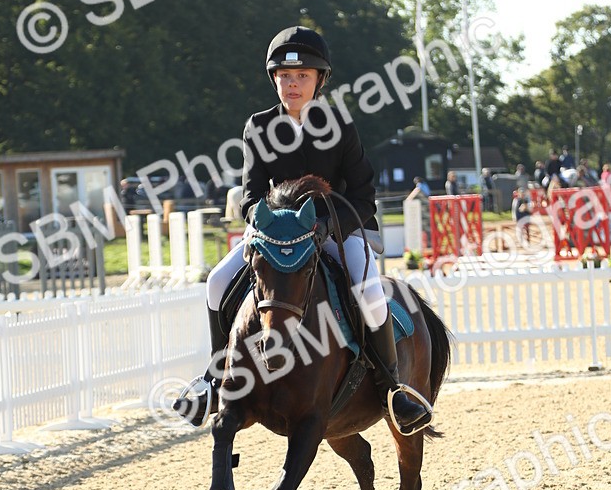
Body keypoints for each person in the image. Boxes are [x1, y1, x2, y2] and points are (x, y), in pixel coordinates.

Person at [176, 25, 433, 434]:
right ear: (274, 80)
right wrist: (267, 224)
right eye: (284, 77)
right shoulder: (258, 127)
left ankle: (392, 387)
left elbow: (364, 195)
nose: (293, 84)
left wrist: (328, 227)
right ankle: (214, 379)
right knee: (215, 282)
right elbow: (249, 195)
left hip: (337, 234)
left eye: (302, 77)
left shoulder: (340, 125)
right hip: (276, 240)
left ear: (319, 80)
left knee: (368, 293)